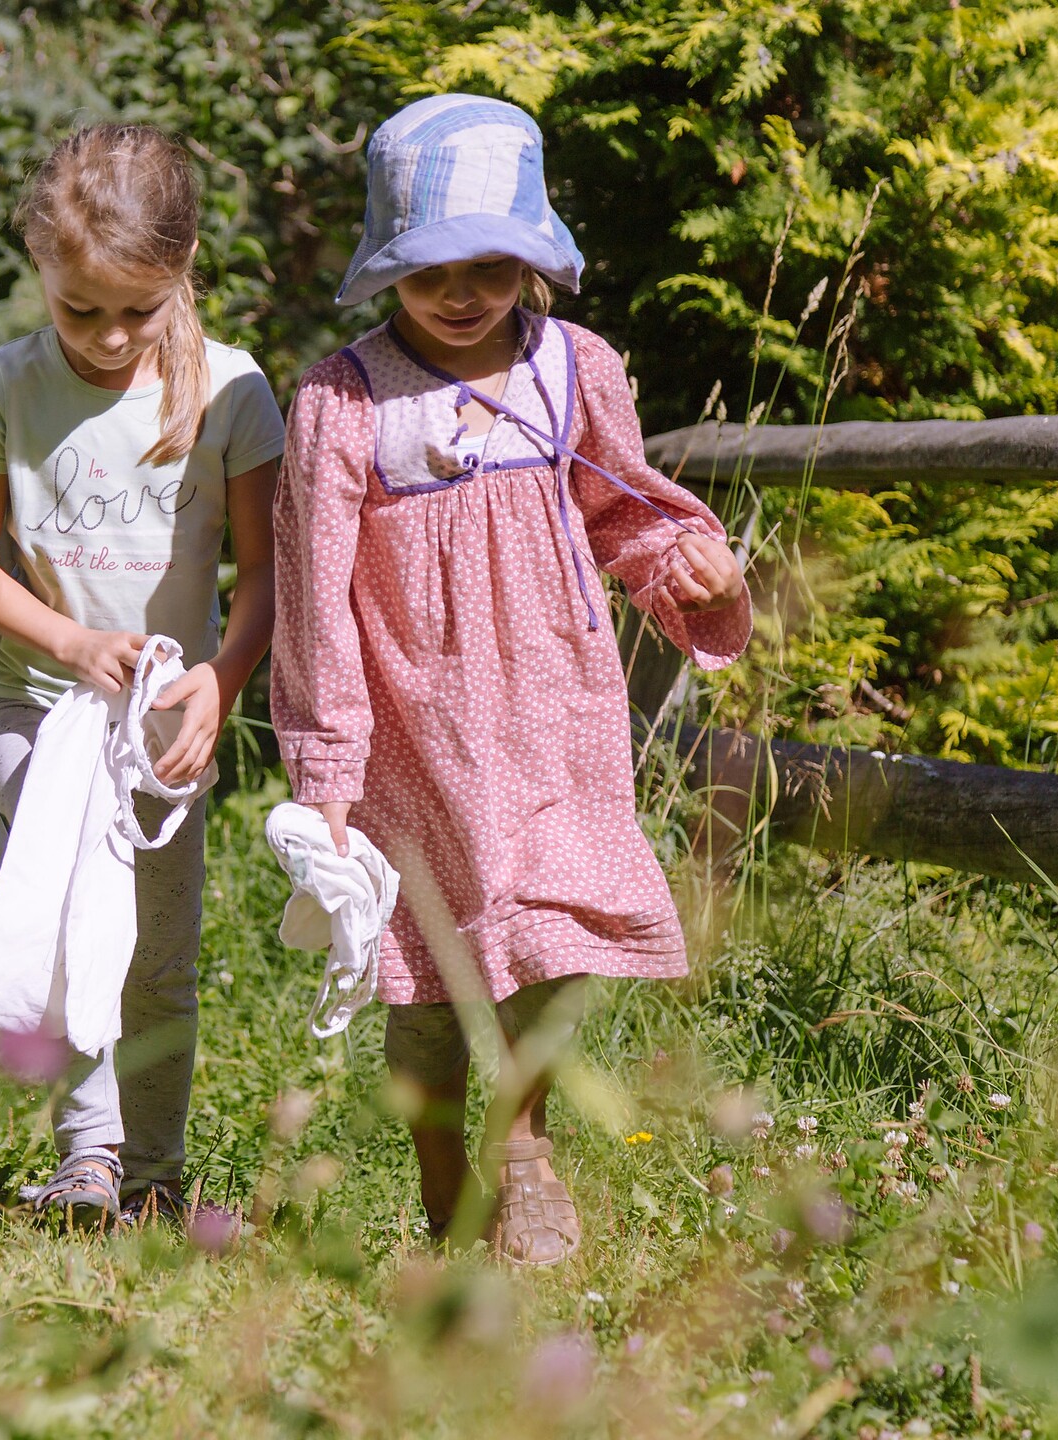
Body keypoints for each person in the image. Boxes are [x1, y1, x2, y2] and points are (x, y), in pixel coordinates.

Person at [271, 95, 751, 1263]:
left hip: (554, 710)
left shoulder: (574, 368)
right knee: (427, 973)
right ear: (390, 262)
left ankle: (521, 1143)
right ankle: (446, 1196)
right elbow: (313, 591)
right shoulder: (344, 401)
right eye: (432, 265)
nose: (463, 291)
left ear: (532, 256)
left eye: (493, 262)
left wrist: (685, 569)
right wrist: (328, 757)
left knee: (559, 935)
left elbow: (618, 513)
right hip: (410, 725)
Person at [0, 124, 285, 1226]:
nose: (105, 335)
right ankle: (89, 1154)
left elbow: (267, 574)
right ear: (39, 273)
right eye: (76, 309)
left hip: (164, 722)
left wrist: (222, 681)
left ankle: (156, 1170)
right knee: (81, 914)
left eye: (136, 309)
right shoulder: (11, 382)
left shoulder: (229, 392)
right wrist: (70, 644)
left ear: (183, 271)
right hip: (30, 706)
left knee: (158, 957)